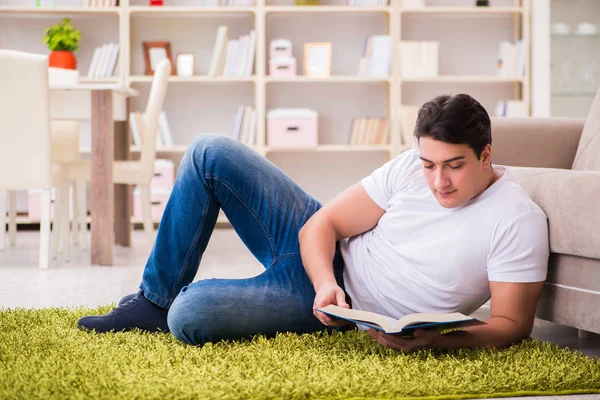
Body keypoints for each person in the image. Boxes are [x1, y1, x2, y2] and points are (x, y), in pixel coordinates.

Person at [78, 93, 549, 351]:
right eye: (429, 164)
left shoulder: (515, 219)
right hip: (324, 272)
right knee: (209, 152)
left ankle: (174, 306)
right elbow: (320, 226)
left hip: (339, 311)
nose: (438, 181)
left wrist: (435, 345)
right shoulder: (411, 168)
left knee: (190, 317)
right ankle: (151, 300)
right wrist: (327, 282)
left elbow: (510, 324)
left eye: (454, 166)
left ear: (486, 155)